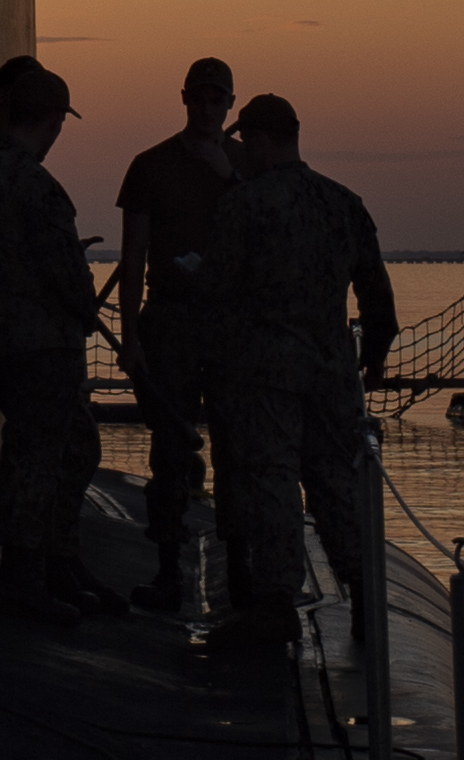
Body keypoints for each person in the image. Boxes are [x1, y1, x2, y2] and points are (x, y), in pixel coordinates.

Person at [199, 91, 399, 648]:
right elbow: (377, 296)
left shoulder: (246, 205)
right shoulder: (344, 203)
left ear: (261, 140)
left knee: (273, 482)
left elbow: (216, 292)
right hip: (332, 372)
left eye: (246, 143)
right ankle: (365, 596)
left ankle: (276, 602)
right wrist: (373, 355)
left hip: (266, 373)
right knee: (336, 484)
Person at [0, 57, 120, 624]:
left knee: (69, 448)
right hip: (41, 343)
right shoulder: (34, 183)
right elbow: (65, 279)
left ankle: (53, 562)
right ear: (50, 120)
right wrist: (79, 277)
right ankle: (23, 577)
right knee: (40, 455)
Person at [105, 55, 238, 613]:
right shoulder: (151, 167)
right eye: (198, 99)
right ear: (184, 99)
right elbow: (133, 258)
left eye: (216, 100)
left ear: (229, 105)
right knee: (170, 448)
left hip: (231, 327)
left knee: (238, 447)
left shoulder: (245, 167)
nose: (206, 109)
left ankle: (244, 572)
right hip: (172, 323)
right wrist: (131, 337)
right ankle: (166, 569)